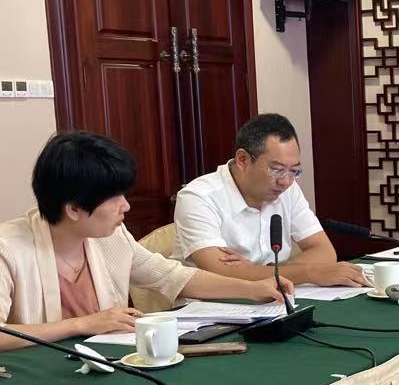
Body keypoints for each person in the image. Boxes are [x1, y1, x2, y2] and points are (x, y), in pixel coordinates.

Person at [0, 132, 293, 352]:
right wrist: (80, 325)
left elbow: (172, 276)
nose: (126, 206)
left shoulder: (111, 238)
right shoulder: (8, 248)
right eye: (114, 198)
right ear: (74, 209)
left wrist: (252, 288)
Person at [172, 114, 370, 287]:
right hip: (214, 308)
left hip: (278, 299)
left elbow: (324, 252)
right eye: (277, 170)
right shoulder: (198, 197)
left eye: (294, 171)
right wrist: (308, 272)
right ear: (243, 160)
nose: (286, 181)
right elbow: (220, 272)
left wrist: (262, 270)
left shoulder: (288, 190)